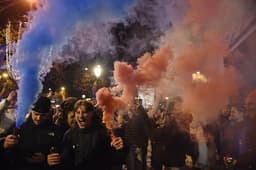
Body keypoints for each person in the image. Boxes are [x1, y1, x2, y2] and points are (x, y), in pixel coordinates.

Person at [47, 99, 124, 170]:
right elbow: (66, 159)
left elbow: (113, 159)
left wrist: (118, 148)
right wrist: (54, 160)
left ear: (92, 114)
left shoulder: (102, 133)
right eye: (78, 112)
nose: (81, 116)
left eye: (85, 112)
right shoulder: (69, 134)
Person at [2, 96, 63, 170]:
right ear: (31, 111)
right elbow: (8, 153)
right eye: (36, 114)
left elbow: (60, 152)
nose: (38, 118)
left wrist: (46, 158)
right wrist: (5, 144)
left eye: (43, 115)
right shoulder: (19, 127)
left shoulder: (55, 130)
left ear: (48, 113)